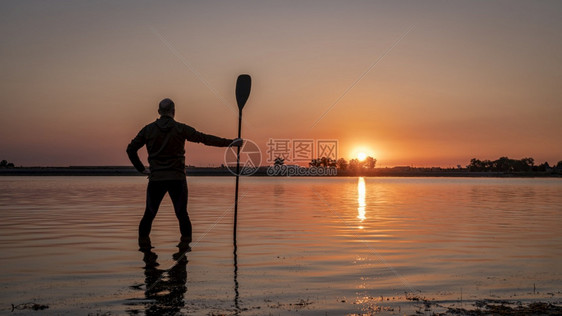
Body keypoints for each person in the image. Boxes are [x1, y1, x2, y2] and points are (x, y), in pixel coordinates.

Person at [127, 98, 242, 249]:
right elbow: (204, 138)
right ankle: (184, 251)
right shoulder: (180, 128)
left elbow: (130, 149)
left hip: (156, 179)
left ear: (158, 112)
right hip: (177, 179)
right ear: (173, 112)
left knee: (149, 215)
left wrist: (141, 169)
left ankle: (144, 250)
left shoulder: (148, 130)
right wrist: (231, 143)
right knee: (182, 214)